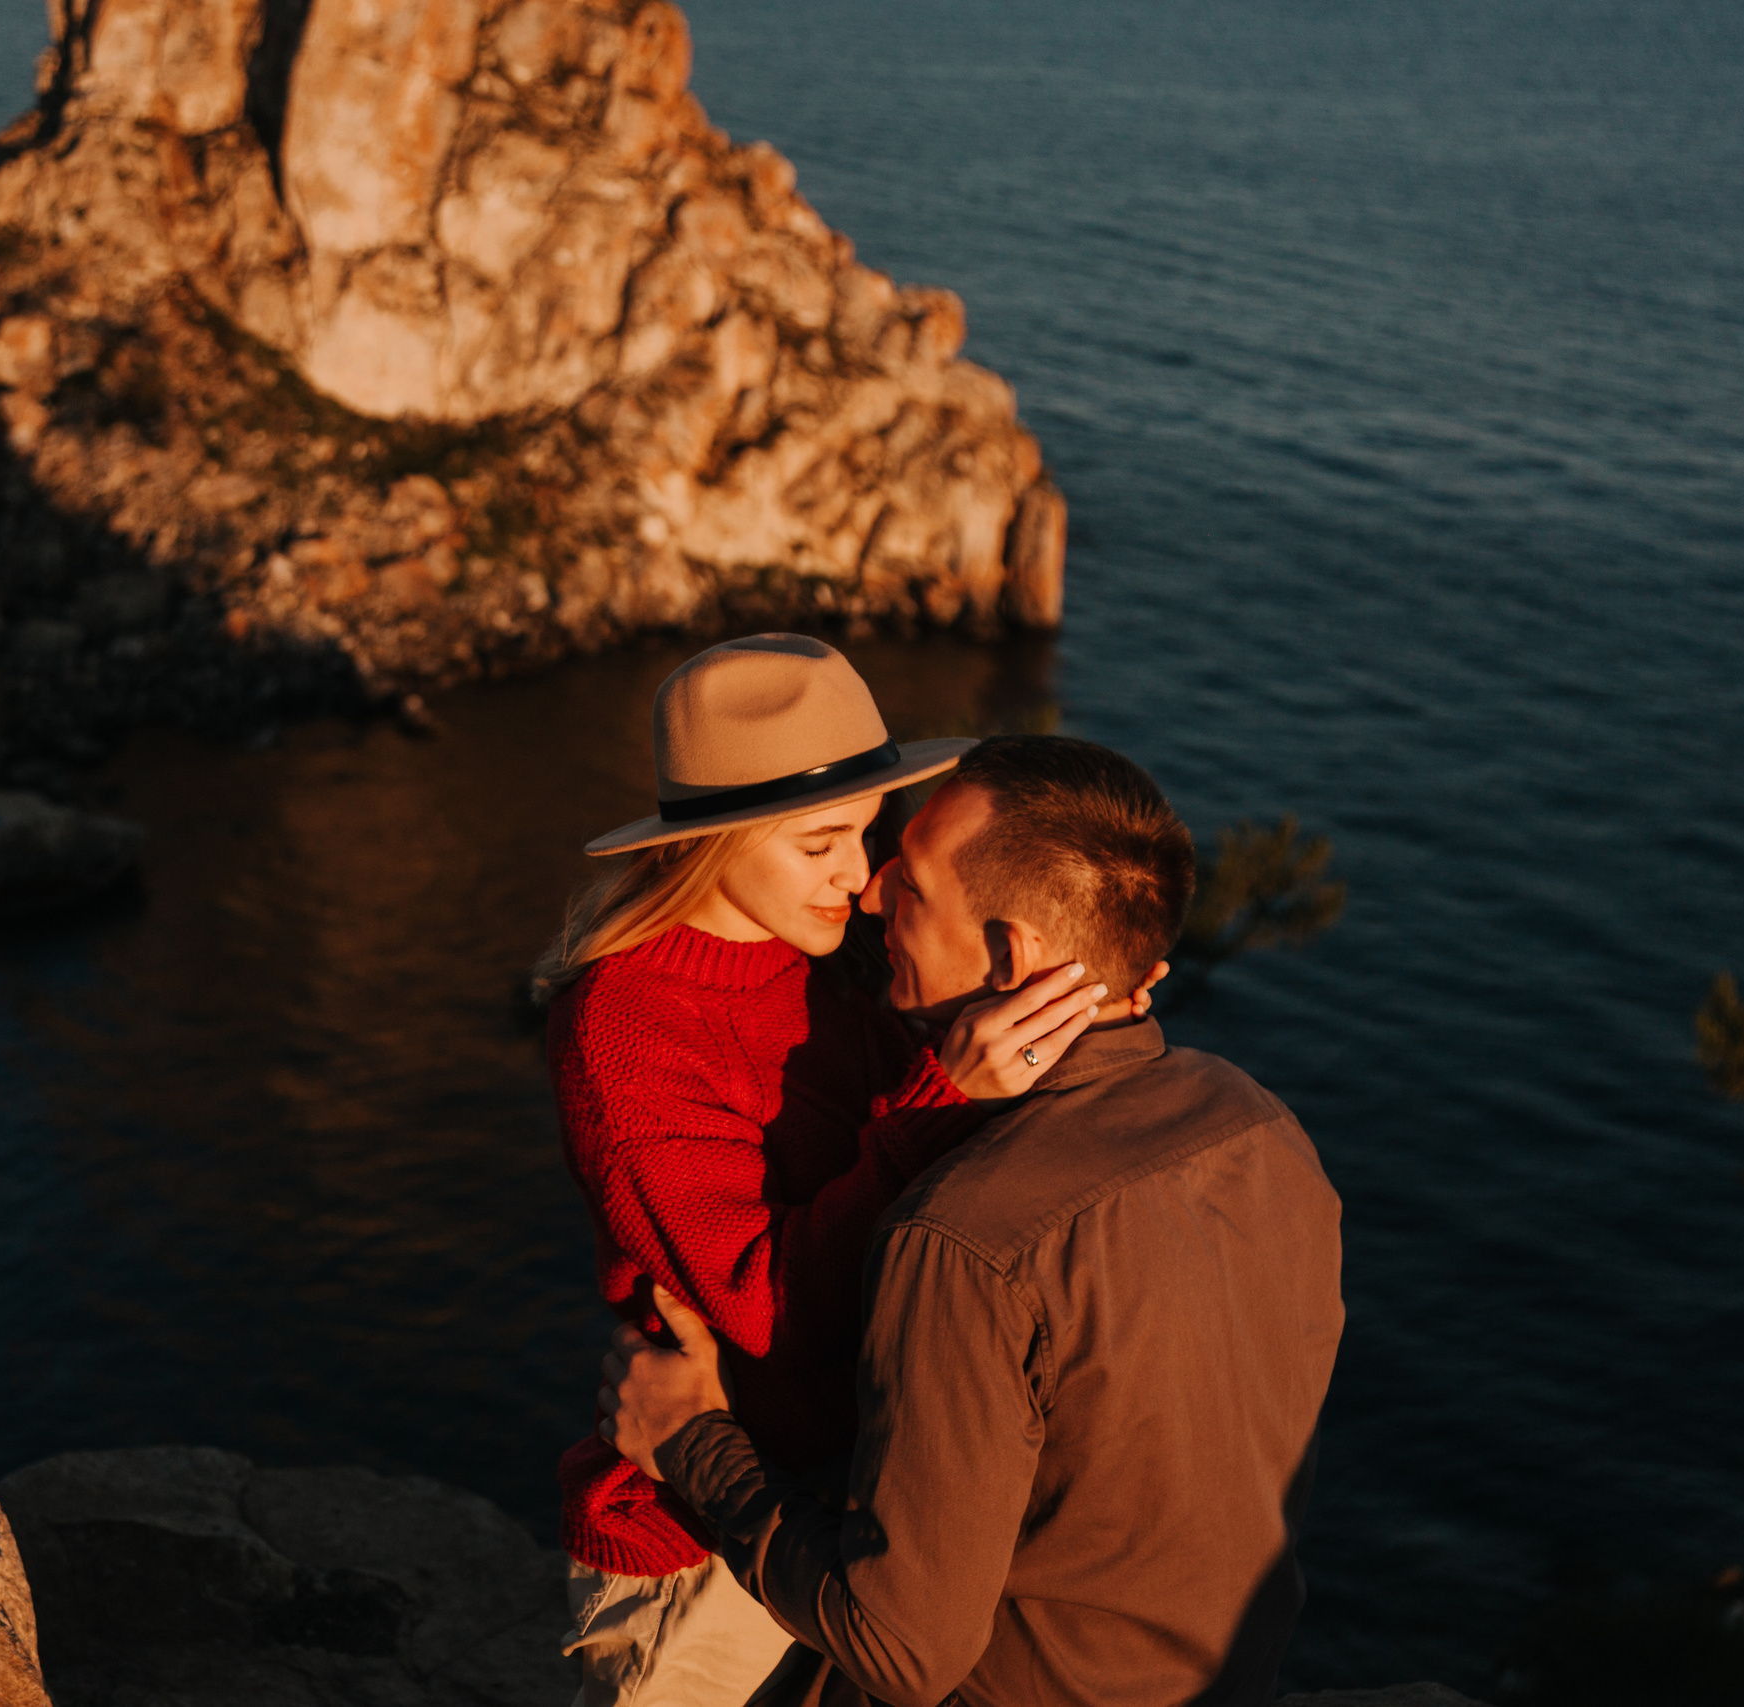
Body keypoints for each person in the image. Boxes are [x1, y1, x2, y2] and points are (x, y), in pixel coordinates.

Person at [598, 735, 1347, 1707]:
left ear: (1008, 955)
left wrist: (693, 1438)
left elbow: (901, 1651)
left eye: (908, 884)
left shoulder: (964, 1241)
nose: (869, 896)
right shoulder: (1257, 1125)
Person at [540, 638, 1115, 1707]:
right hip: (708, 1551)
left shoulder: (831, 957)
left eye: (865, 832)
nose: (860, 882)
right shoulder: (623, 1030)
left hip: (877, 1514)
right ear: (714, 845)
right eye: (821, 844)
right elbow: (760, 1305)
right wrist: (942, 1094)